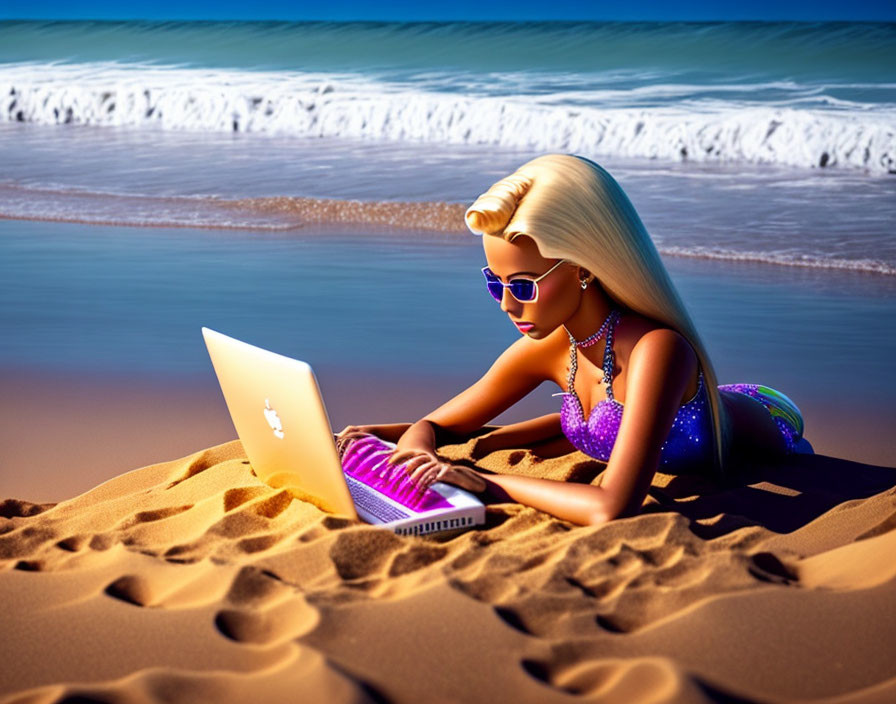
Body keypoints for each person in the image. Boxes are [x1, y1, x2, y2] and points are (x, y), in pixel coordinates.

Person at [337, 154, 811, 527]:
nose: (506, 304)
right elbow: (438, 426)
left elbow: (611, 507)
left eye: (523, 285)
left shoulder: (659, 351)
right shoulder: (551, 347)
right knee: (534, 428)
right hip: (644, 416)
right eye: (494, 283)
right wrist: (415, 447)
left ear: (583, 267)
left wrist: (484, 481)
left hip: (770, 415)